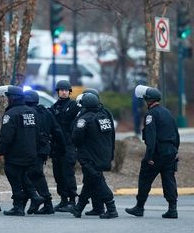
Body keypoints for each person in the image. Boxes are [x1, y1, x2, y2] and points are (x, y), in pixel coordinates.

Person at [125, 86, 180, 219]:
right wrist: (175, 151)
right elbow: (176, 134)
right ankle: (172, 209)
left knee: (144, 178)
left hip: (157, 153)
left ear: (147, 100)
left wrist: (149, 156)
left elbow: (151, 137)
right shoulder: (167, 112)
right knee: (169, 180)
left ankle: (139, 207)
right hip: (170, 152)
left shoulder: (151, 115)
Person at [69, 93, 118, 219]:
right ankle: (78, 208)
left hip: (89, 156)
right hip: (103, 155)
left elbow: (76, 138)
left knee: (98, 180)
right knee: (90, 181)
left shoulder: (84, 119)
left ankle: (111, 208)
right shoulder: (104, 117)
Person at [0, 85, 43, 216]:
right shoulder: (32, 112)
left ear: (12, 98)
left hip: (15, 153)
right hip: (31, 151)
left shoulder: (10, 114)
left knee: (14, 176)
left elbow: (6, 137)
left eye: (7, 97)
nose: (6, 100)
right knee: (23, 176)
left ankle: (18, 206)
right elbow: (38, 132)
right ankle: (34, 196)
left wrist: (1, 151)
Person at [24, 90, 66, 214]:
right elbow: (57, 131)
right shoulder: (46, 112)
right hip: (44, 148)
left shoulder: (28, 113)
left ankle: (45, 202)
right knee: (33, 174)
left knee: (34, 174)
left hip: (33, 148)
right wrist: (62, 148)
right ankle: (35, 202)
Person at [49, 80, 80, 211]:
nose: (64, 92)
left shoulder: (73, 106)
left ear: (69, 92)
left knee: (68, 173)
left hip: (69, 144)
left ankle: (72, 200)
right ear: (58, 92)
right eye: (61, 90)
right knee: (58, 173)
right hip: (56, 145)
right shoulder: (55, 106)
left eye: (66, 90)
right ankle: (63, 199)